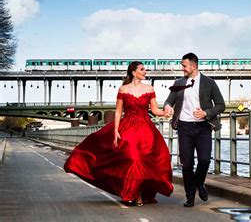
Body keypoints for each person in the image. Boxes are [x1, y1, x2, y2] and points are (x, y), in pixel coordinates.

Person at [64, 61, 173, 206]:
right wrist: (115, 130)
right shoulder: (123, 89)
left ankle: (136, 193)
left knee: (143, 160)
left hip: (145, 130)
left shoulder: (150, 89)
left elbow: (154, 110)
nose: (145, 71)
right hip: (127, 128)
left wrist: (164, 113)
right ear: (134, 72)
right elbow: (118, 111)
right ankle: (132, 193)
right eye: (142, 69)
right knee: (132, 159)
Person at [164, 53, 225, 207]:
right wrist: (168, 106)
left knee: (204, 160)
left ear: (193, 66)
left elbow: (220, 104)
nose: (182, 68)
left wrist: (206, 113)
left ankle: (199, 184)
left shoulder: (209, 83)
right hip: (184, 127)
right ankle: (190, 197)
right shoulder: (179, 82)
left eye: (184, 66)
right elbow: (169, 100)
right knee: (187, 164)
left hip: (203, 127)